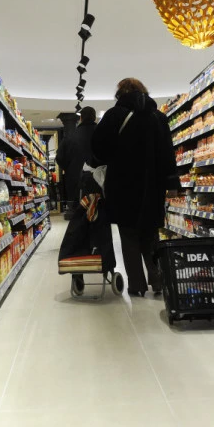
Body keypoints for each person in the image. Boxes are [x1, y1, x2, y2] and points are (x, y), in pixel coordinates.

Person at [91, 78, 178, 297]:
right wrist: (171, 182)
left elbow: (98, 149)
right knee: (150, 233)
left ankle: (137, 284)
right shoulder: (158, 117)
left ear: (120, 93)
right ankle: (157, 280)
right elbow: (168, 153)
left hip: (122, 185)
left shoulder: (114, 116)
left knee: (128, 235)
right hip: (152, 185)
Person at [56, 106, 97, 206]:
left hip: (75, 182)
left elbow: (59, 157)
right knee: (98, 209)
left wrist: (69, 168)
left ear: (81, 118)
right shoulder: (102, 133)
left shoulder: (70, 136)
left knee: (77, 210)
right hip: (98, 180)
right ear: (95, 117)